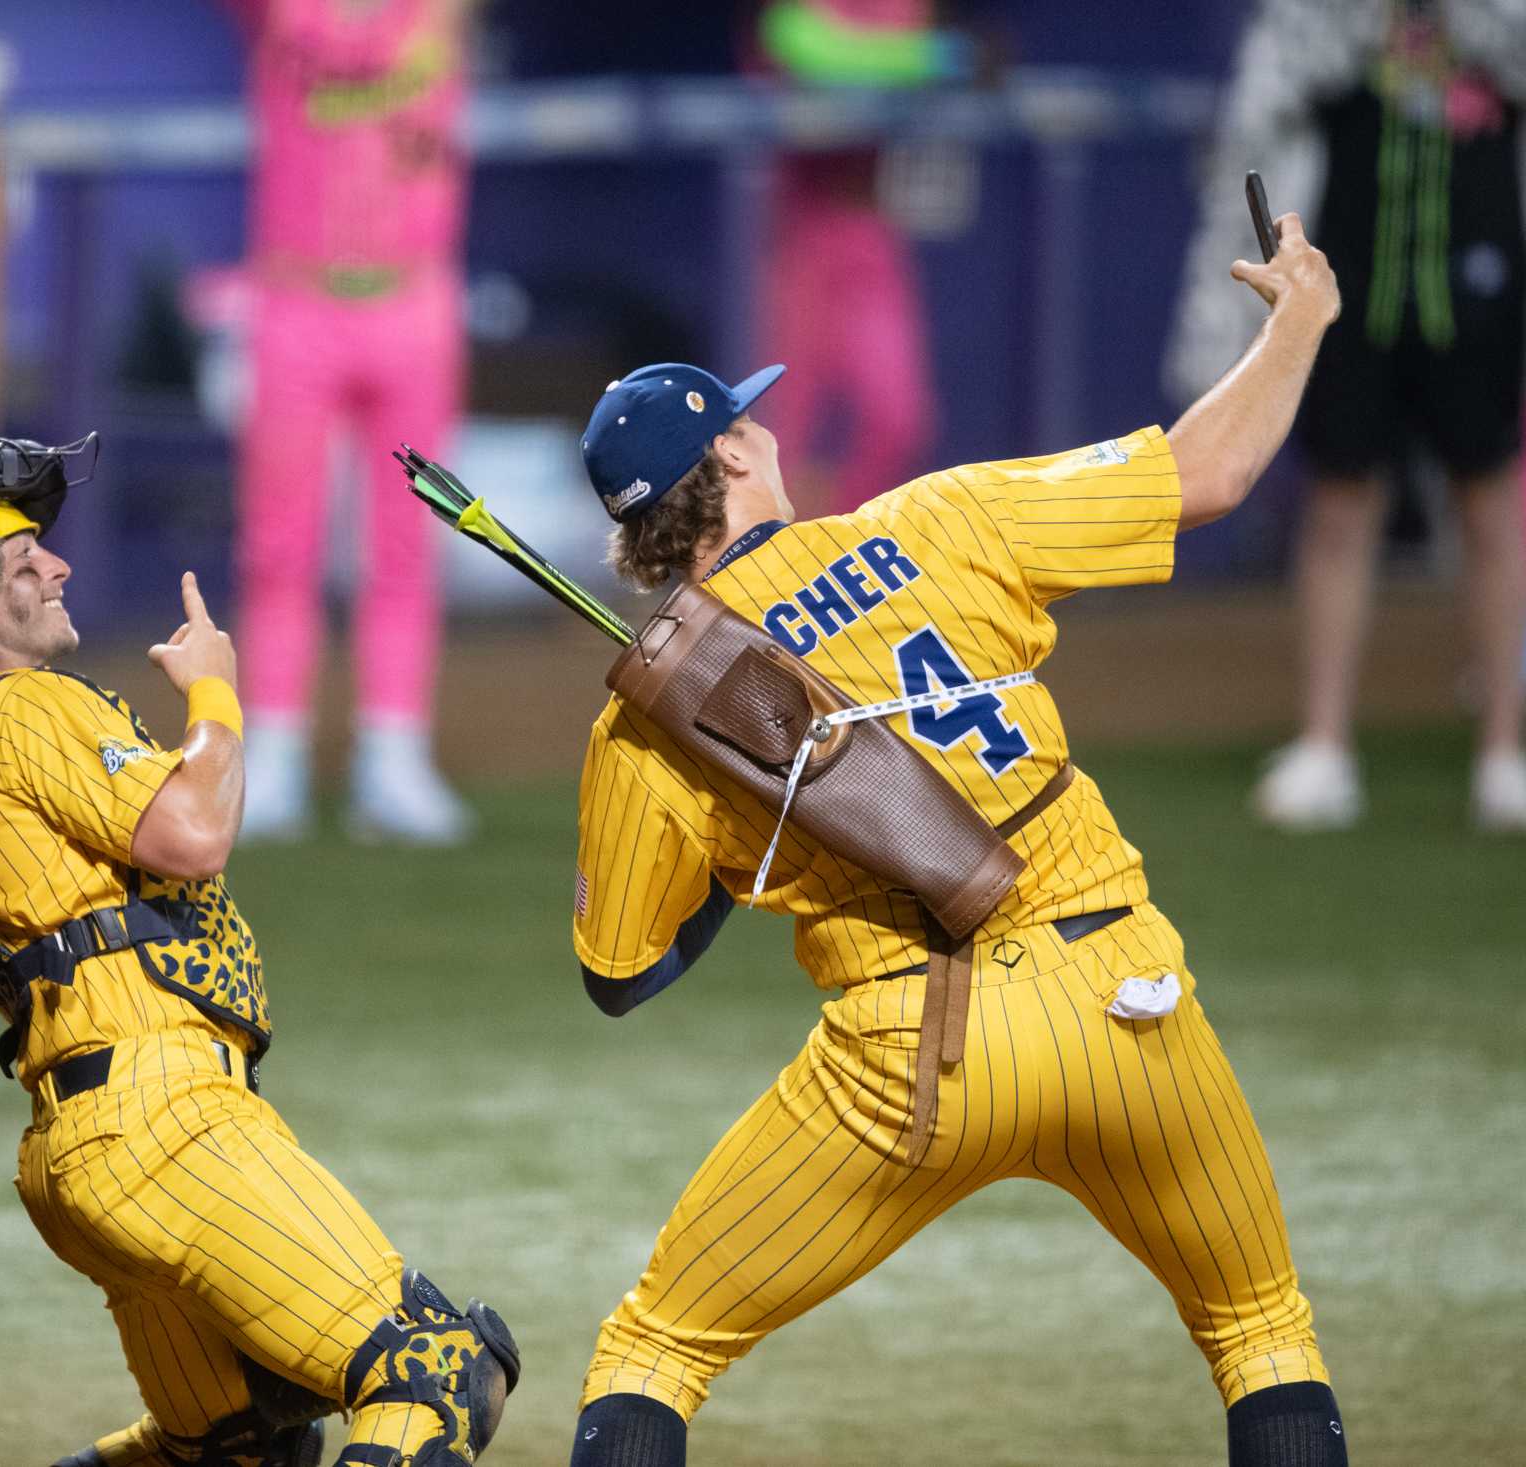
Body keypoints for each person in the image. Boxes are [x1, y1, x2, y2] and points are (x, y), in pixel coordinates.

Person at [561, 215, 1349, 1466]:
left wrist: (746, 794)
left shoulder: (642, 724)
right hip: (1122, 995)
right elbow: (1207, 475)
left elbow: (620, 972)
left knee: (656, 1350)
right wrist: (1298, 318)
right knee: (1259, 1328)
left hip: (910, 1059)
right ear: (731, 450)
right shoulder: (939, 520)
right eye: (747, 414)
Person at [0, 492, 520, 1467]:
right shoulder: (30, 705)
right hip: (163, 1121)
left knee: (227, 1449)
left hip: (76, 1154)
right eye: (23, 556)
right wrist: (214, 695)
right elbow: (193, 832)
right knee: (433, 1374)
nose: (58, 569)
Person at [1168, 0, 1526, 832]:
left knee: (1490, 502)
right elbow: (1269, 96)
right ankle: (1325, 744)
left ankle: (1504, 750)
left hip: (1479, 268)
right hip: (1347, 267)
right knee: (1340, 499)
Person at [224, 0, 478, 845]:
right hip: (296, 298)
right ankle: (274, 751)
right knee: (277, 542)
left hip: (416, 297)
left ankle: (393, 755)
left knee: (410, 537)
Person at [745, 0, 966, 517]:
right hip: (791, 235)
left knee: (900, 419)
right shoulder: (794, 15)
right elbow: (806, 48)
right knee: (772, 435)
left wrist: (941, 57)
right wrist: (939, 56)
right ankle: (747, 577)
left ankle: (835, 557)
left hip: (869, 232)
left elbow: (901, 46)